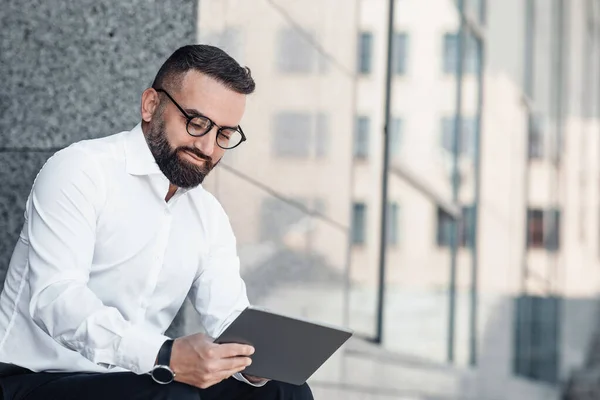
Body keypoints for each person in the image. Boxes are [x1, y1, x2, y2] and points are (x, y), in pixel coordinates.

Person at [0, 44, 313, 400]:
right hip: (35, 379)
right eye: (197, 123)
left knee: (286, 391)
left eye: (224, 134)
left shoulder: (207, 215)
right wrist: (164, 355)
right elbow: (55, 299)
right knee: (172, 398)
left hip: (138, 378)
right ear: (151, 105)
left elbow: (229, 319)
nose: (208, 147)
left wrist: (254, 364)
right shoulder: (81, 170)